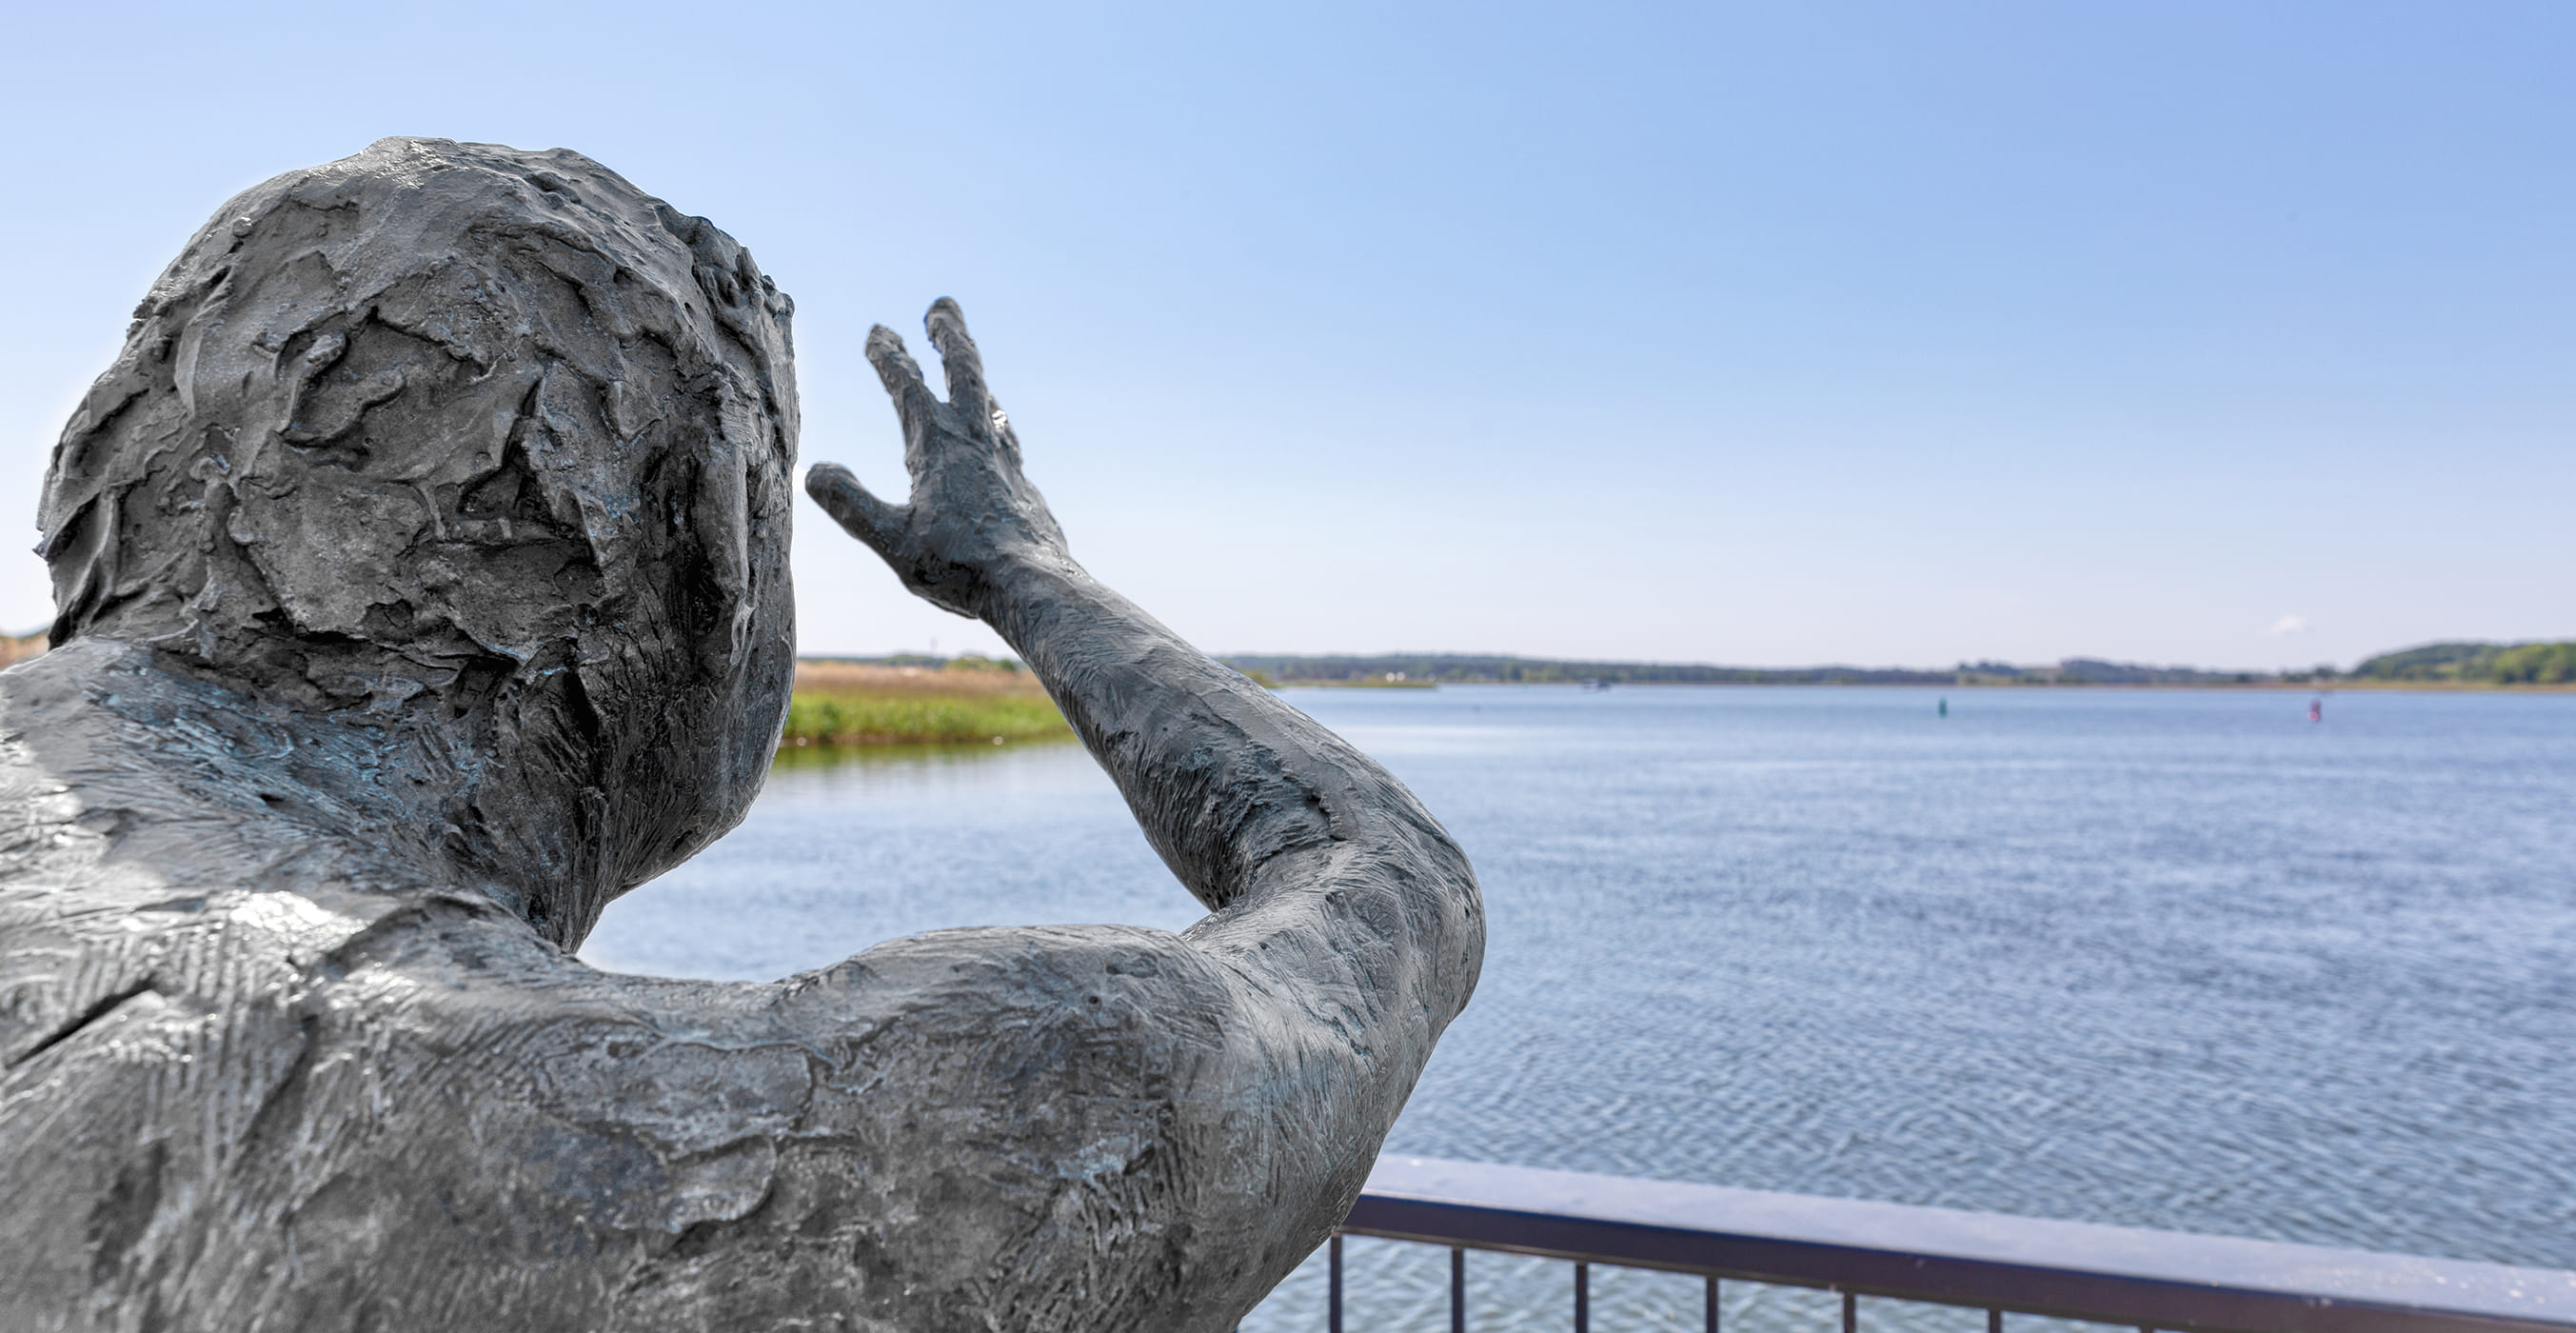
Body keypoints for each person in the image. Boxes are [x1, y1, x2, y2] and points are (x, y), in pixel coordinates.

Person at [0, 138, 1482, 1333]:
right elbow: (1391, 885)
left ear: (99, 475)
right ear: (714, 558)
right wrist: (1029, 574)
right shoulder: (945, 1133)